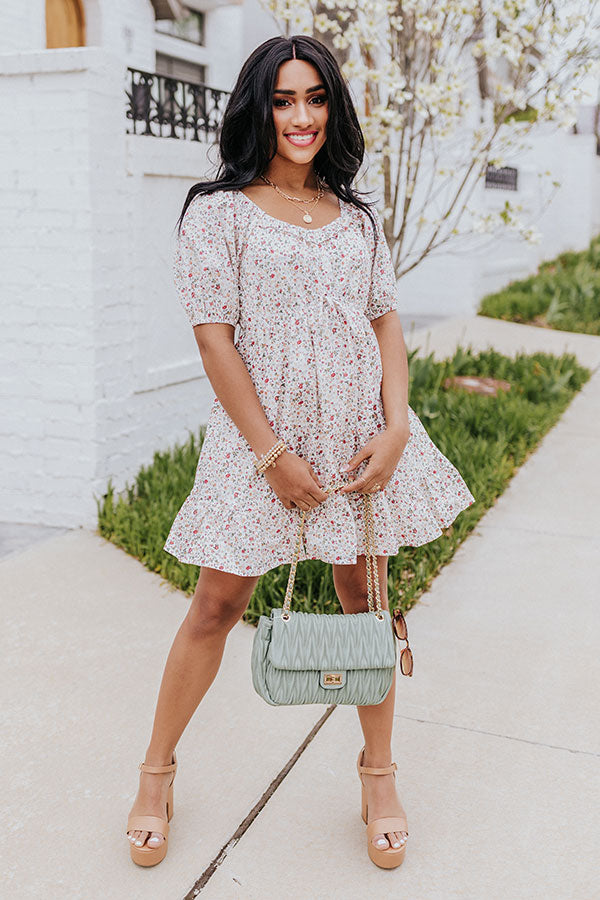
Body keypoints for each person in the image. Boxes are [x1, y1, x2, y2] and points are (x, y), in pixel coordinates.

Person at [126, 34, 475, 870]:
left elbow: (385, 318)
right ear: (258, 107)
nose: (301, 116)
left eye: (315, 98)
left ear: (333, 109)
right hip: (264, 444)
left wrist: (395, 427)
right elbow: (215, 342)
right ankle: (155, 771)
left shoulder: (357, 217)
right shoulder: (219, 212)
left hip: (359, 440)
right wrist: (271, 453)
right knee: (216, 604)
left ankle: (379, 773)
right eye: (283, 100)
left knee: (368, 600)